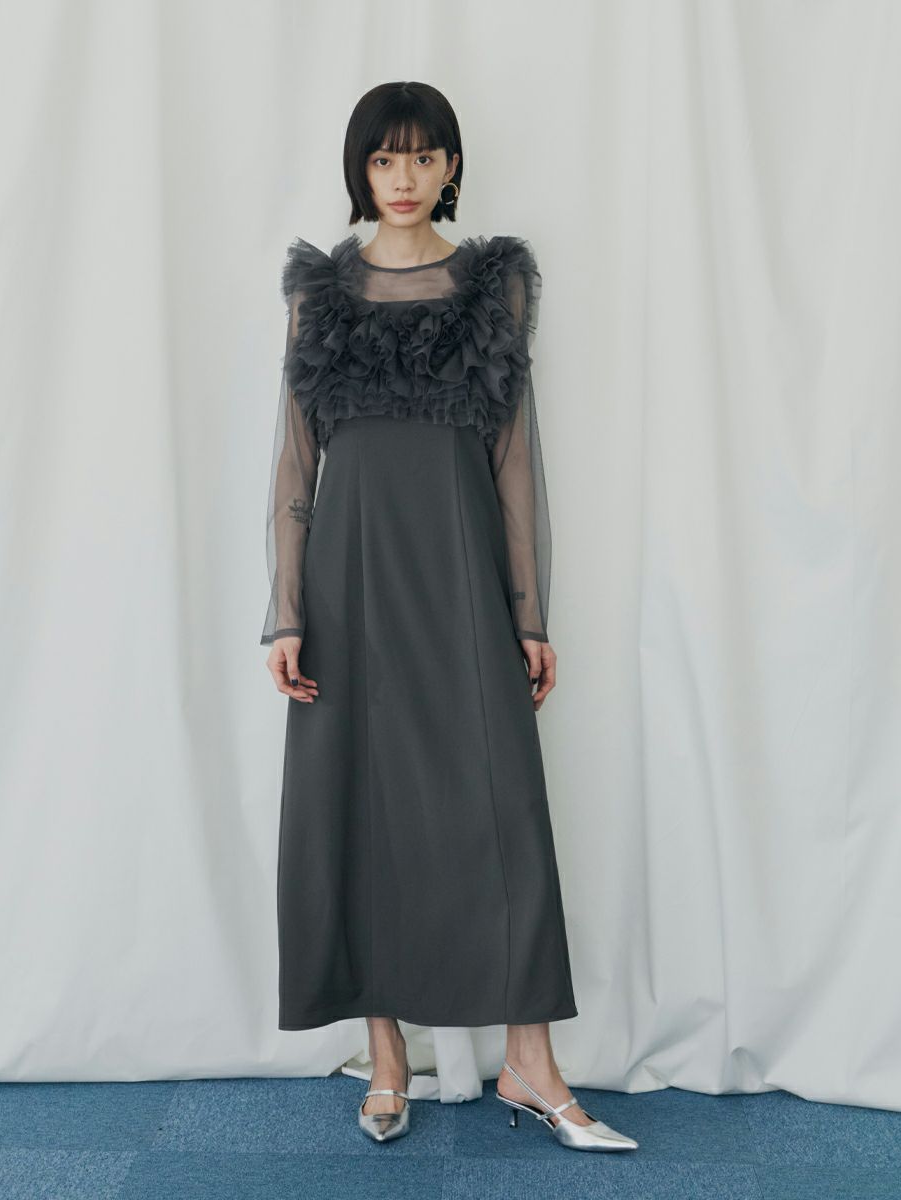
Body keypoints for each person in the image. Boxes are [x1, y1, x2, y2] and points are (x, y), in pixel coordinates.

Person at [260, 81, 638, 1153]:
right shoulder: (320, 291)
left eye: (424, 157)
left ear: (451, 168)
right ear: (360, 171)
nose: (404, 178)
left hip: (462, 565)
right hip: (348, 575)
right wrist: (286, 612)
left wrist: (529, 613)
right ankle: (385, 1058)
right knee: (358, 802)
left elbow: (515, 458)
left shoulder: (491, 286)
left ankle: (530, 1063)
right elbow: (294, 459)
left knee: (500, 805)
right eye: (384, 159)